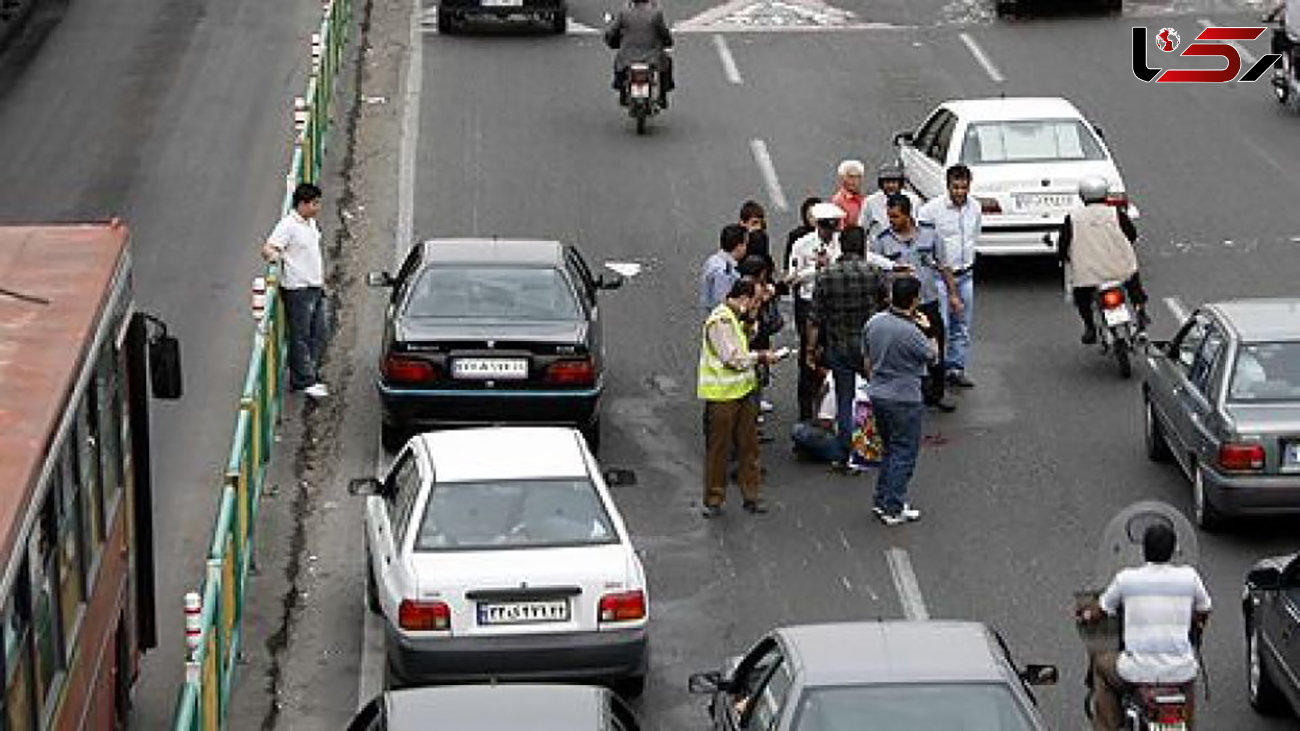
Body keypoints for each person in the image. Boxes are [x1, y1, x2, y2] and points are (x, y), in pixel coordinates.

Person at [1077, 522, 1212, 730]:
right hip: (1180, 671)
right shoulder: (1189, 577)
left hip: (1136, 671)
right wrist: (1195, 623)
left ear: (1144, 549)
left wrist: (1086, 615)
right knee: (1186, 697)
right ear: (1173, 550)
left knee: (1101, 665)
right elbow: (1204, 609)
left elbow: (1099, 611)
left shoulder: (1126, 579)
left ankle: (1108, 725)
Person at [697, 279, 784, 518]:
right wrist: (761, 356)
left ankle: (751, 495)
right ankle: (714, 498)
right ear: (743, 298)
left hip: (744, 391)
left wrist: (752, 320)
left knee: (749, 445)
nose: (756, 305)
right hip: (722, 395)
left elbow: (745, 339)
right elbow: (732, 358)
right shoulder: (720, 320)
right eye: (754, 301)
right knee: (720, 448)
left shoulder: (737, 318)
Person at [806, 226, 885, 466]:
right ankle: (874, 444)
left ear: (841, 245)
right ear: (862, 246)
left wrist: (810, 351)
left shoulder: (827, 275)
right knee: (875, 394)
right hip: (869, 345)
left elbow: (815, 318)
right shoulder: (873, 272)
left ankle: (845, 453)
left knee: (844, 397)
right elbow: (885, 303)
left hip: (838, 345)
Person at [862, 276, 937, 525]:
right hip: (905, 397)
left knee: (889, 449)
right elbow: (933, 356)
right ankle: (893, 505)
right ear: (914, 300)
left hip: (879, 392)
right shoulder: (911, 333)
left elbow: (867, 357)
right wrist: (929, 330)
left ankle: (882, 499)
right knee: (904, 452)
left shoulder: (875, 322)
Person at [873, 194, 956, 412]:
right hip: (899, 308)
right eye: (889, 216)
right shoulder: (882, 241)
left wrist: (953, 294)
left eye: (896, 216)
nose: (892, 221)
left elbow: (944, 265)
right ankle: (911, 393)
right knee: (903, 351)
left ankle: (937, 392)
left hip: (927, 301)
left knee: (935, 346)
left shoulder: (929, 234)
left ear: (908, 215)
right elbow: (878, 275)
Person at [1058, 176, 1149, 345]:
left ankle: (1090, 327)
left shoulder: (1073, 218)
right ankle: (1140, 310)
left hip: (1088, 273)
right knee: (1134, 285)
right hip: (1120, 268)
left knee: (1082, 297)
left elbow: (1063, 244)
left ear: (1082, 196)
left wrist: (1063, 256)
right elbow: (1132, 235)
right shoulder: (1116, 214)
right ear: (1105, 194)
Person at [262, 183, 329, 399]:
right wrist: (276, 258)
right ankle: (303, 381)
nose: (317, 207)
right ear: (302, 204)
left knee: (319, 333)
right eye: (314, 203)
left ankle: (310, 374)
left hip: (315, 286)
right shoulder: (288, 225)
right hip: (298, 289)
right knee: (300, 336)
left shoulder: (310, 223)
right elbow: (269, 248)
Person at [918, 164, 980, 389]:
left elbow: (974, 236)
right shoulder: (930, 211)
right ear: (947, 186)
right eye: (955, 187)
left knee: (962, 325)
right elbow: (923, 247)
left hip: (965, 274)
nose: (960, 192)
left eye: (964, 187)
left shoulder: (975, 208)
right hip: (938, 277)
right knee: (939, 325)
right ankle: (935, 369)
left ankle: (956, 367)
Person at [785, 196, 822, 421]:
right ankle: (806, 413)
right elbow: (792, 276)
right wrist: (814, 269)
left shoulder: (838, 242)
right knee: (808, 357)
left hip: (828, 305)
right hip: (806, 303)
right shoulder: (799, 242)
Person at [604, 0, 674, 108]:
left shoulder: (624, 13)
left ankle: (621, 90)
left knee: (618, 63)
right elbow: (664, 33)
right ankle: (663, 96)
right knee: (667, 63)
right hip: (652, 55)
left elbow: (613, 32)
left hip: (628, 56)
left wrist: (610, 40)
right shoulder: (656, 13)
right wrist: (668, 42)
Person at [860, 162, 920, 238]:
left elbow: (918, 226)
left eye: (894, 182)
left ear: (900, 183)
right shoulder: (870, 201)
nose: (891, 186)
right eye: (887, 182)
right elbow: (863, 228)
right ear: (881, 183)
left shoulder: (914, 200)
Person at [700, 224, 747, 314]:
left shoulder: (714, 259)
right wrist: (742, 309)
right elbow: (722, 300)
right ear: (738, 246)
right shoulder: (724, 271)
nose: (746, 248)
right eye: (745, 244)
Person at [829, 160, 866, 231]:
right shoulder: (838, 201)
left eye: (858, 177)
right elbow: (839, 228)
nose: (854, 181)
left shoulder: (864, 199)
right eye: (851, 177)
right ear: (842, 178)